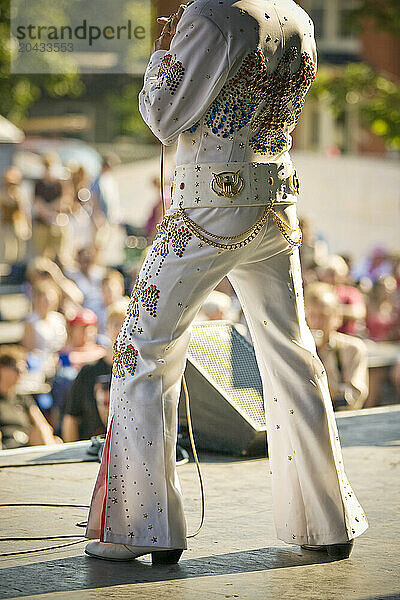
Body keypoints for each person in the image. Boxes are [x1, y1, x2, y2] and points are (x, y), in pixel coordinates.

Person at [85, 0, 368, 564]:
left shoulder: (211, 15)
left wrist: (161, 60)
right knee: (292, 350)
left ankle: (141, 528)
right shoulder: (298, 16)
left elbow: (165, 119)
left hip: (209, 205)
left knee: (141, 346)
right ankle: (328, 519)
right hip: (275, 200)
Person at [61, 305, 126, 442]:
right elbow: (71, 417)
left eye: (126, 323)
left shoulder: (141, 372)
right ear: (106, 328)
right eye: (116, 324)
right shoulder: (89, 371)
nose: (121, 329)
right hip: (91, 448)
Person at [304, 282, 368, 410]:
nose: (317, 322)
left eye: (323, 316)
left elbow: (355, 395)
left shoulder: (352, 349)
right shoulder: (300, 349)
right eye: (312, 316)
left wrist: (330, 389)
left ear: (337, 318)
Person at [0, 347, 61, 449]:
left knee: (42, 430)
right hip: (6, 446)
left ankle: (53, 457)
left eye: (24, 369)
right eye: (17, 369)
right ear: (2, 369)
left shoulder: (22, 398)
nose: (21, 373)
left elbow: (41, 423)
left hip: (27, 443)